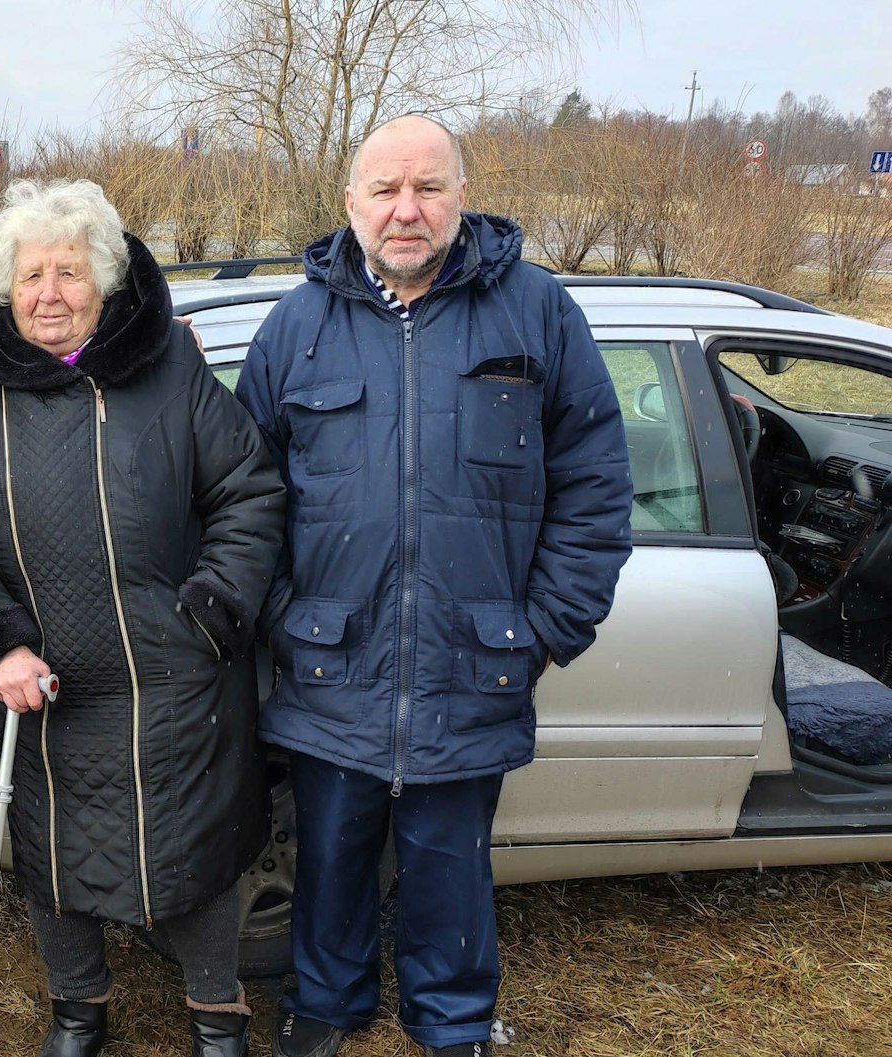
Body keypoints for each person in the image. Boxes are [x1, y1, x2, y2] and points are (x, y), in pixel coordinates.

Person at [233, 114, 634, 1057]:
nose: (405, 210)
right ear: (351, 203)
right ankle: (325, 1002)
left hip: (474, 658)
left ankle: (452, 1016)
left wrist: (545, 628)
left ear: (462, 195)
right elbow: (247, 493)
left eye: (427, 187)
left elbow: (595, 486)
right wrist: (285, 618)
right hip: (332, 658)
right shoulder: (297, 327)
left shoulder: (537, 313)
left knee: (451, 862)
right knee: (331, 852)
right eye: (385, 190)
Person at [0, 178, 286, 1057]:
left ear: (106, 281)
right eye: (31, 275)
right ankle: (78, 1007)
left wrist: (212, 611)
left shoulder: (169, 368)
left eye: (70, 272)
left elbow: (249, 490)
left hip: (175, 667)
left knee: (193, 842)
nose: (49, 294)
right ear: (6, 287)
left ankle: (217, 1011)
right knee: (52, 847)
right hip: (43, 673)